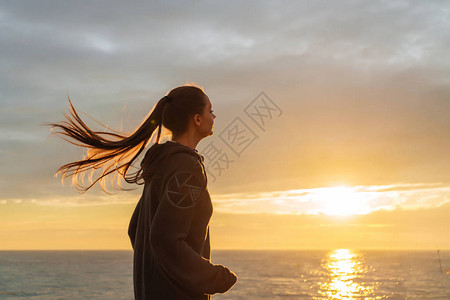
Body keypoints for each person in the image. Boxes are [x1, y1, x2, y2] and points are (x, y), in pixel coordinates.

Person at [47, 85, 238, 299]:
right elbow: (165, 239)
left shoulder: (164, 163)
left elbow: (136, 228)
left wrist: (157, 275)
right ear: (197, 119)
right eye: (210, 110)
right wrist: (216, 277)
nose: (214, 115)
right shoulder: (186, 168)